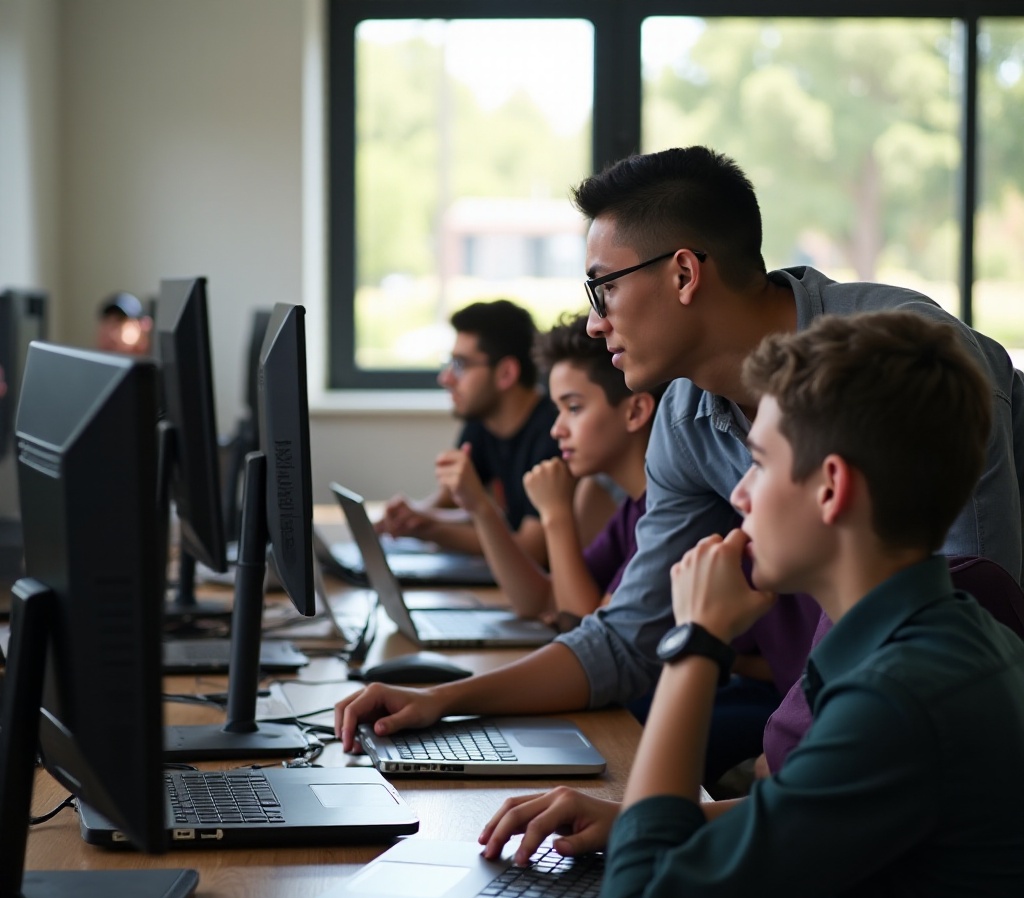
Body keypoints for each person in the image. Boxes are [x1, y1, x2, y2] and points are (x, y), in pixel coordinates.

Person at [336, 145, 1024, 781]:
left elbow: (982, 618)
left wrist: (768, 791)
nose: (596, 321)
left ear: (685, 273)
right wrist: (443, 702)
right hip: (825, 739)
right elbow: (628, 636)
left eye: (603, 289)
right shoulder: (684, 413)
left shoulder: (906, 363)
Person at [478, 311, 1024, 898]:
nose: (737, 495)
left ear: (831, 488)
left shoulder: (902, 696)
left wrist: (697, 642)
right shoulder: (923, 635)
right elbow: (822, 810)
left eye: (760, 465)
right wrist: (655, 819)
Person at [434, 312, 661, 621]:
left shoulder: (661, 515)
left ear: (635, 412)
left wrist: (556, 514)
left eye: (574, 408)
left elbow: (582, 629)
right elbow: (538, 602)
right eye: (558, 410)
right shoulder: (629, 512)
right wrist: (481, 509)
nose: (556, 430)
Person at [376, 299, 617, 567]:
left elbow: (532, 547)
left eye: (460, 364)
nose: (445, 378)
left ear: (505, 373)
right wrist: (416, 513)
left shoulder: (554, 434)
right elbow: (453, 499)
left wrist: (429, 529)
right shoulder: (482, 421)